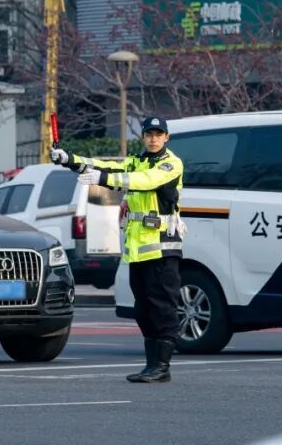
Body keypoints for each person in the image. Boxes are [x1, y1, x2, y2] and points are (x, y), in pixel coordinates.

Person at [51, 116, 184, 384]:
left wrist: (101, 178)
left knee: (162, 307)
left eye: (158, 134)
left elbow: (143, 181)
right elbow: (105, 165)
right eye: (149, 134)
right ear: (143, 137)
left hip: (162, 249)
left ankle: (162, 366)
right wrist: (69, 159)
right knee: (143, 309)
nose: (154, 138)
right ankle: (151, 366)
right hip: (138, 251)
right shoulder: (137, 160)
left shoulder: (171, 164)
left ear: (166, 137)